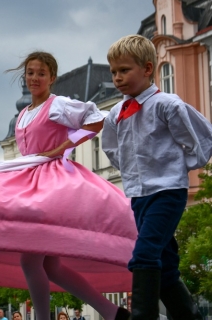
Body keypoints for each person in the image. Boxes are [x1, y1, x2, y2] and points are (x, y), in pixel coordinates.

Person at [0, 51, 137, 320]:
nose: (34, 78)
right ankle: (113, 313)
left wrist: (65, 146)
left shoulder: (57, 105)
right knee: (50, 266)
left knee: (30, 261)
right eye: (30, 73)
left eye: (41, 73)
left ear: (51, 78)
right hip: (32, 177)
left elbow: (96, 118)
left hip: (51, 182)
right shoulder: (23, 115)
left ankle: (78, 315)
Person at [103, 34, 212, 320]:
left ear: (147, 69)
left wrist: (175, 167)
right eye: (114, 72)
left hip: (167, 191)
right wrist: (131, 170)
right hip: (139, 194)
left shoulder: (167, 105)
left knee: (145, 254)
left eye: (124, 70)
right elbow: (112, 148)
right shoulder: (116, 113)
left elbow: (198, 138)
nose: (118, 77)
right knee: (165, 264)